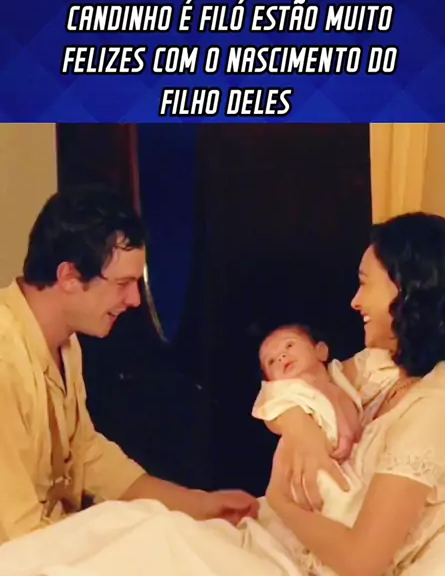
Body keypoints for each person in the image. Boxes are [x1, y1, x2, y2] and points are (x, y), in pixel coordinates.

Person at [0, 186, 258, 542]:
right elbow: (19, 534)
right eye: (123, 283)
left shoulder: (66, 343)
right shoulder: (6, 359)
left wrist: (197, 504)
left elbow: (87, 455)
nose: (135, 299)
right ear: (69, 277)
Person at [263, 212, 445, 576]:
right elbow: (284, 389)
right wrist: (300, 429)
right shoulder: (385, 367)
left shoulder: (437, 407)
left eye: (364, 284)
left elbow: (362, 559)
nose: (354, 301)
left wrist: (281, 503)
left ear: (408, 289)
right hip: (287, 550)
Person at [255, 324, 363, 463]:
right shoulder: (281, 393)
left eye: (289, 345)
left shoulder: (335, 382)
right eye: (271, 361)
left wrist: (346, 435)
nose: (281, 357)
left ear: (321, 351)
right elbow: (270, 414)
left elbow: (344, 406)